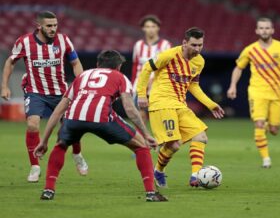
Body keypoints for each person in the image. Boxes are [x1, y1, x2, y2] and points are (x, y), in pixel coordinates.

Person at [34, 50, 167, 202]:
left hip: (73, 119)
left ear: (97, 64)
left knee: (61, 146)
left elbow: (58, 111)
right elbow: (130, 109)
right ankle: (151, 193)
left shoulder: (82, 76)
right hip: (102, 118)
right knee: (141, 146)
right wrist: (146, 135)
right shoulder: (120, 77)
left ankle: (48, 190)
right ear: (119, 67)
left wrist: (43, 141)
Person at [0, 11, 88, 182]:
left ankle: (77, 155)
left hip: (61, 92)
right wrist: (4, 86)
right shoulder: (24, 42)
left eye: (55, 25)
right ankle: (35, 167)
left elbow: (75, 63)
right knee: (33, 125)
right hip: (35, 92)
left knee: (71, 127)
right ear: (38, 25)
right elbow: (10, 62)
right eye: (49, 26)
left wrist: (81, 83)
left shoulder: (63, 40)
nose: (53, 29)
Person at [136, 27, 225, 187]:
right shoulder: (169, 55)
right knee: (174, 144)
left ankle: (196, 175)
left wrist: (211, 104)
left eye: (200, 45)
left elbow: (194, 85)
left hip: (179, 104)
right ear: (185, 43)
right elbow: (146, 68)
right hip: (161, 103)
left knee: (201, 136)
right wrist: (142, 94)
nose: (197, 49)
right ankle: (158, 171)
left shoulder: (199, 62)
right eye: (194, 45)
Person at [227, 17, 280, 168]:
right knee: (259, 124)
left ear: (272, 30)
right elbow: (238, 68)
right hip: (257, 91)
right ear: (256, 30)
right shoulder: (250, 49)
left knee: (274, 130)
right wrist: (233, 85)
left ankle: (266, 127)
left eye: (267, 28)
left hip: (277, 92)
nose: (264, 30)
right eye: (261, 28)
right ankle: (266, 159)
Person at [131, 15, 171, 121]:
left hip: (158, 84)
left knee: (159, 115)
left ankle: (161, 137)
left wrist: (152, 80)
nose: (150, 29)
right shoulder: (138, 45)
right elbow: (135, 65)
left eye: (153, 26)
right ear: (143, 28)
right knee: (140, 114)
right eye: (148, 26)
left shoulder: (165, 45)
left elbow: (167, 67)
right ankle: (143, 137)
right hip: (140, 85)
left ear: (158, 28)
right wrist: (133, 83)